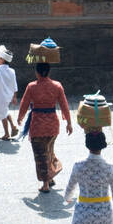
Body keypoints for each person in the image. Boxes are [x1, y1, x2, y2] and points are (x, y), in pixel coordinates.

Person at [17, 60, 73, 192]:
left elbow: (24, 104)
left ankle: (45, 184)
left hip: (37, 125)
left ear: (37, 73)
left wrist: (20, 117)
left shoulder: (32, 87)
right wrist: (69, 123)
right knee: (49, 151)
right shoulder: (57, 86)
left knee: (40, 155)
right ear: (48, 72)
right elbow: (64, 105)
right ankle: (51, 175)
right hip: (53, 125)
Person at [0, 45, 19, 141]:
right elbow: (14, 84)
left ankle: (7, 133)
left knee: (1, 113)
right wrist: (15, 97)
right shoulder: (12, 71)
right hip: (8, 96)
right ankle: (13, 127)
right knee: (4, 111)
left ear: (2, 60)